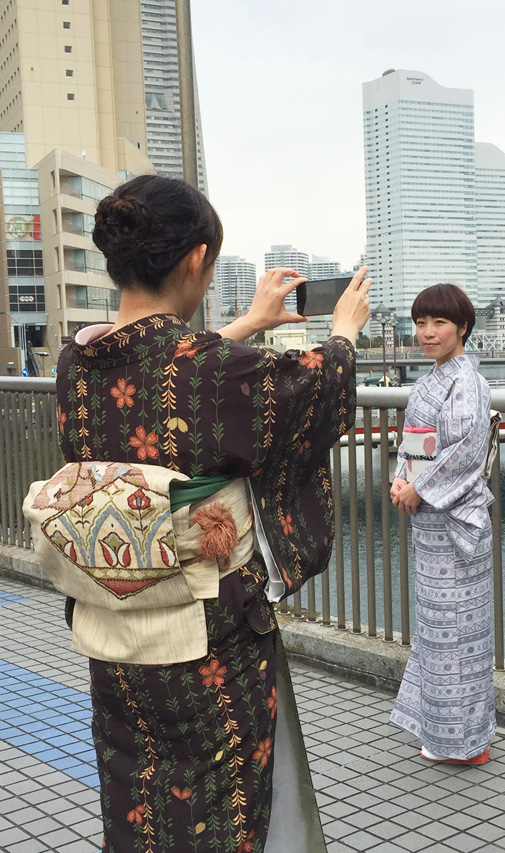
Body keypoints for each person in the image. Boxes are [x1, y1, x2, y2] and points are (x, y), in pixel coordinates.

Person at [40, 174, 371, 851]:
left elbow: (156, 370)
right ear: (195, 260)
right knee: (220, 804)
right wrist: (344, 333)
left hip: (116, 632)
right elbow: (318, 396)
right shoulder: (216, 369)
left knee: (136, 795)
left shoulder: (77, 363)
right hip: (206, 640)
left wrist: (247, 321)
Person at [390, 283, 495, 765]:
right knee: (437, 630)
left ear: (463, 328)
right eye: (421, 322)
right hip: (429, 523)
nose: (427, 332)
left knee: (459, 634)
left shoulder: (467, 382)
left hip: (456, 525)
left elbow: (467, 450)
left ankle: (468, 744)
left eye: (439, 323)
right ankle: (443, 732)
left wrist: (418, 487)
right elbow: (414, 442)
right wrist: (399, 480)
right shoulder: (433, 378)